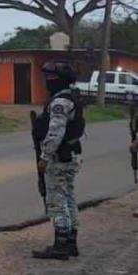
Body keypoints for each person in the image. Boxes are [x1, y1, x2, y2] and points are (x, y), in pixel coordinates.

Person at [31, 61, 85, 260]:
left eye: (49, 78)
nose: (46, 81)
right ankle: (71, 242)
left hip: (59, 157)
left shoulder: (60, 102)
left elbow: (55, 132)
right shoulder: (72, 97)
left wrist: (44, 158)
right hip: (71, 155)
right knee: (69, 197)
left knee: (57, 200)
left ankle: (60, 245)